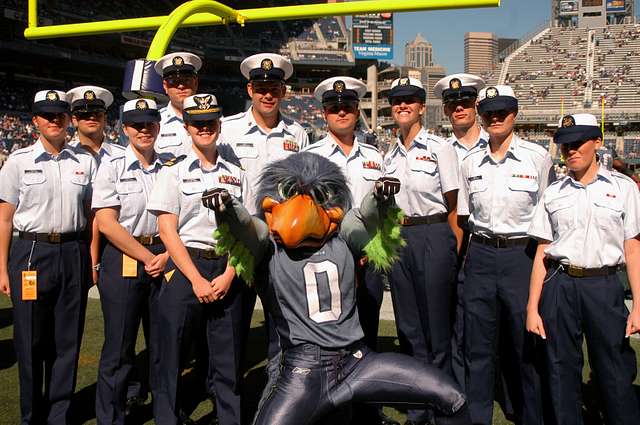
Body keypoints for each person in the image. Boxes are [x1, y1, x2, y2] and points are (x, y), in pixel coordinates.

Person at [201, 151, 472, 425]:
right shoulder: (268, 246)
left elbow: (365, 216)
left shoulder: (342, 235)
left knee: (452, 398)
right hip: (301, 369)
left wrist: (379, 196)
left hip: (355, 360)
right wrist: (227, 207)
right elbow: (247, 227)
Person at [527, 113, 640, 425]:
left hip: (604, 287)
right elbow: (541, 251)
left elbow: (633, 248)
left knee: (615, 370)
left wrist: (639, 306)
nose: (571, 150)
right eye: (565, 145)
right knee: (560, 371)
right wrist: (532, 307)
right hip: (560, 285)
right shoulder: (553, 192)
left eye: (578, 143)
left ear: (598, 143)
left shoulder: (624, 188)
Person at [147, 94, 246, 425]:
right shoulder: (172, 171)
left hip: (226, 267)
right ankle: (167, 419)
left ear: (219, 125)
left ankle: (229, 418)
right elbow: (167, 230)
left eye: (210, 122)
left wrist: (231, 273)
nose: (204, 128)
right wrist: (196, 280)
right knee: (172, 353)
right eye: (197, 123)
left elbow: (244, 230)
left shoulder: (236, 172)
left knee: (228, 357)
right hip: (186, 266)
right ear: (187, 126)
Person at [0, 90, 97, 424]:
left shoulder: (84, 162)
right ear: (36, 121)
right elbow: (4, 219)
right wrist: (1, 269)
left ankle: (59, 416)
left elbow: (91, 216)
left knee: (67, 340)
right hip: (30, 254)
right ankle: (31, 416)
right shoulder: (18, 161)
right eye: (48, 115)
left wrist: (91, 260)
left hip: (72, 251)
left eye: (60, 115)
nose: (55, 120)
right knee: (29, 341)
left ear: (68, 119)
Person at [457, 85, 552, 425]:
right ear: (481, 117)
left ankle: (530, 416)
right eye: (489, 112)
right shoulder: (469, 162)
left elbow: (546, 217)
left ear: (515, 113)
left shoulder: (538, 158)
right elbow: (466, 217)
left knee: (524, 346)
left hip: (520, 257)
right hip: (481, 254)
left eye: (503, 111)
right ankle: (477, 417)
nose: (495, 117)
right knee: (478, 348)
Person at [304, 76, 396, 425]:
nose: (341, 112)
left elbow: (385, 208)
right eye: (334, 107)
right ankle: (328, 409)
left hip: (367, 259)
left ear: (357, 110)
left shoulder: (374, 156)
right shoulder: (310, 157)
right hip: (325, 259)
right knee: (328, 340)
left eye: (347, 106)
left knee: (367, 337)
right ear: (324, 113)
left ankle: (366, 410)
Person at [220, 52, 309, 401]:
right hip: (241, 240)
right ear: (249, 89)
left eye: (274, 87)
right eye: (261, 87)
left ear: (284, 91)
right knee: (232, 328)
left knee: (282, 326)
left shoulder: (298, 133)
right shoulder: (227, 129)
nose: (267, 94)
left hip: (281, 243)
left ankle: (278, 399)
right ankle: (231, 404)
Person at [384, 77, 462, 425]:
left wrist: (453, 251)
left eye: (409, 101)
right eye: (396, 101)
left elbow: (454, 206)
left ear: (420, 107)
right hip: (401, 239)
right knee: (409, 329)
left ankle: (443, 405)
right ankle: (418, 407)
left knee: (436, 331)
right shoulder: (389, 153)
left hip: (433, 233)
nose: (402, 106)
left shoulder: (439, 147)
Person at [92, 98, 170, 424]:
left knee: (162, 344)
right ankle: (111, 416)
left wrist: (165, 255)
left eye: (149, 123)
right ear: (124, 129)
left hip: (163, 260)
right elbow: (107, 223)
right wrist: (148, 256)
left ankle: (164, 410)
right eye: (136, 124)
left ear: (158, 126)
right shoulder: (110, 167)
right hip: (124, 259)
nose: (143, 129)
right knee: (119, 347)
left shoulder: (170, 167)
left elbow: (180, 219)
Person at [433, 73, 487, 390]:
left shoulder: (494, 142)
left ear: (475, 105)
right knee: (453, 320)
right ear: (445, 110)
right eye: (453, 104)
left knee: (490, 324)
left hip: (485, 243)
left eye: (465, 102)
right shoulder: (440, 148)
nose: (459, 109)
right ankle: (458, 386)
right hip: (452, 243)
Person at [67, 85, 124, 287]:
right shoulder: (64, 158)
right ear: (74, 120)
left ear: (105, 118)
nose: (92, 118)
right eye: (85, 114)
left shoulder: (123, 156)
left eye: (97, 114)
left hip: (117, 242)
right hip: (77, 242)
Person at [153, 52, 202, 156]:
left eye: (186, 80)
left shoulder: (214, 121)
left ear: (196, 83)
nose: (180, 86)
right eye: (173, 81)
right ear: (165, 86)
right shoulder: (154, 122)